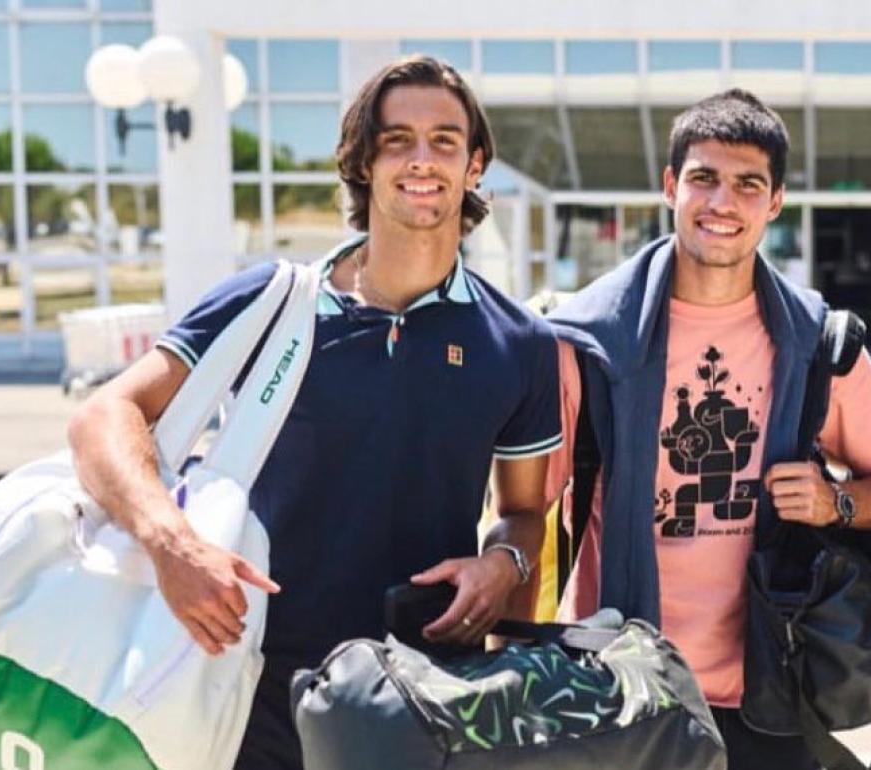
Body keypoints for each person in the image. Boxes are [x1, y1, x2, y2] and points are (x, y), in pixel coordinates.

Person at [68, 55, 561, 770]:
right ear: (363, 161)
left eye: (445, 141)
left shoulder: (520, 342)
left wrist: (503, 563)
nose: (422, 159)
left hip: (425, 697)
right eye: (397, 140)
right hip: (251, 690)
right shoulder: (271, 303)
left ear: (475, 165)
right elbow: (104, 414)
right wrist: (171, 543)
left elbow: (524, 514)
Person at [543, 89, 871, 770]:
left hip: (769, 691)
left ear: (775, 202)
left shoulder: (818, 345)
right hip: (622, 689)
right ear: (669, 187)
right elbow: (525, 509)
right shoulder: (588, 343)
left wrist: (838, 502)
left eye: (748, 184)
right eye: (703, 179)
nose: (723, 202)